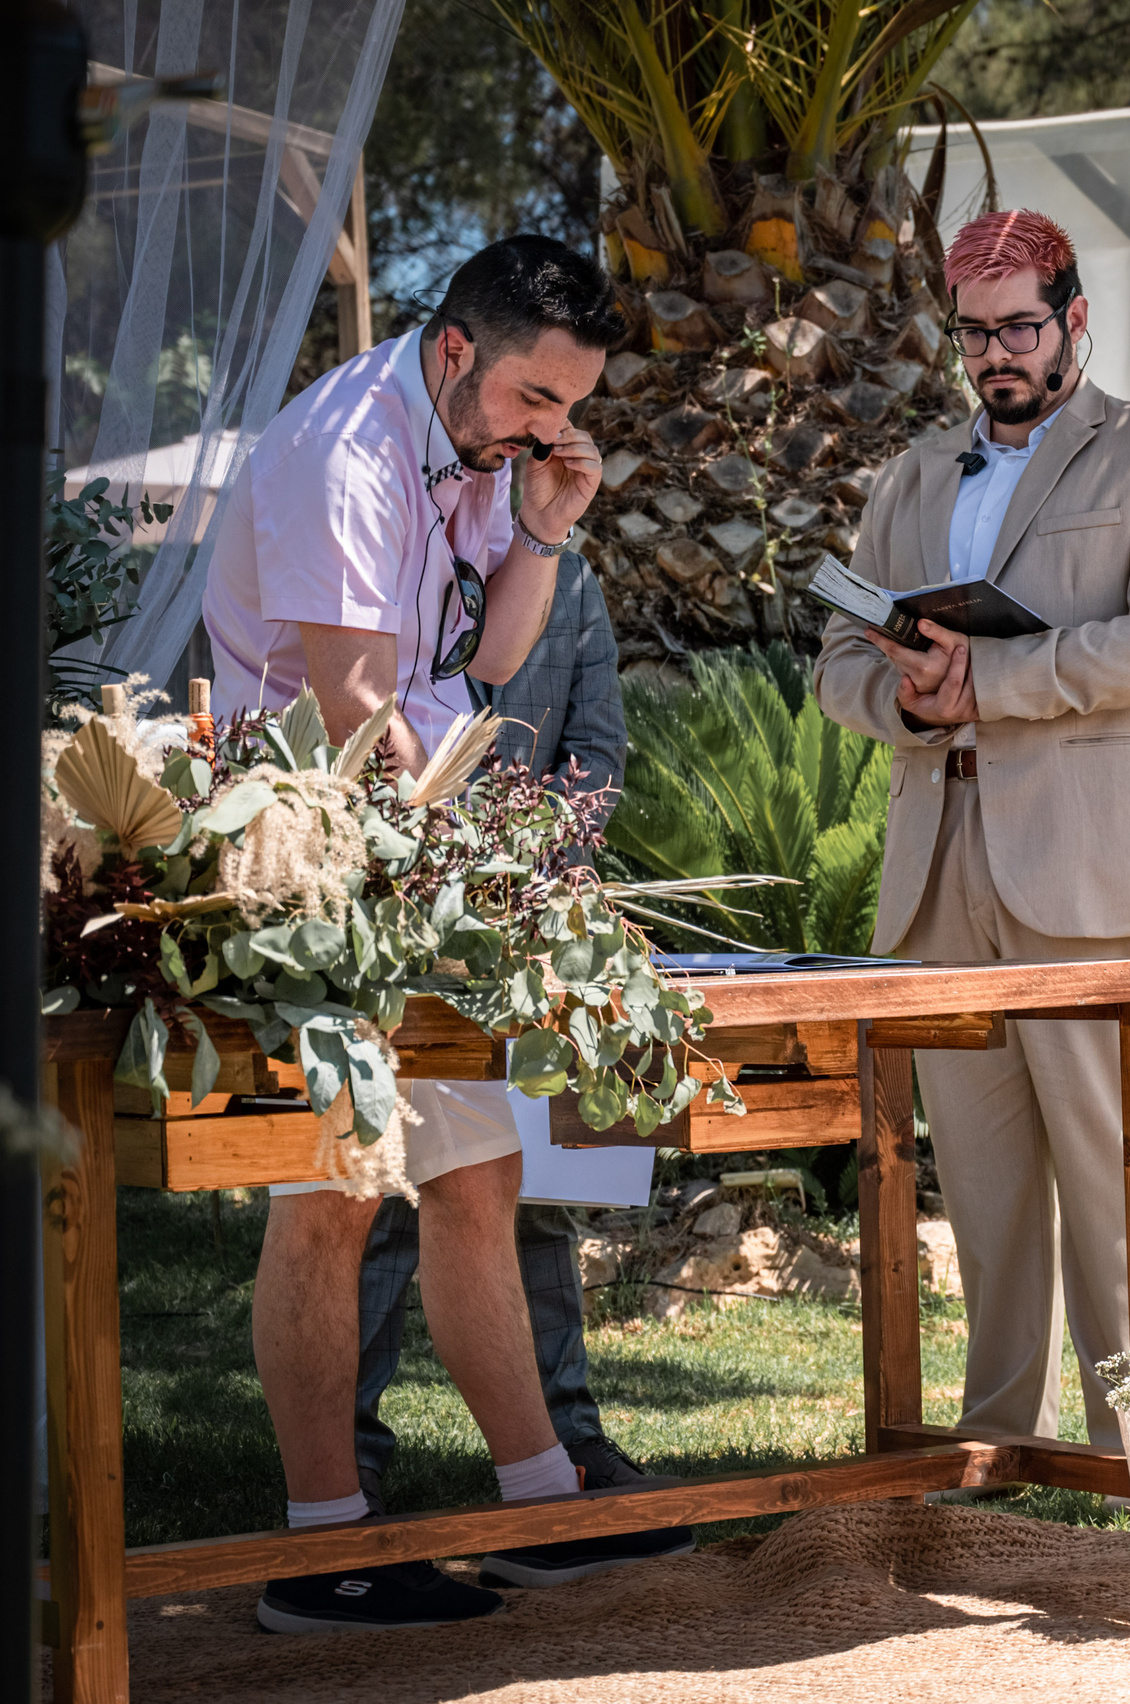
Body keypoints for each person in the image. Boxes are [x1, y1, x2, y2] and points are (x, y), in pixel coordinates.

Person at [203, 233, 621, 1633]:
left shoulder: (483, 454)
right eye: (536, 403)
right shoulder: (344, 455)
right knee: (330, 1201)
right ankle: (322, 1549)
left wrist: (548, 526)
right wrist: (493, 882)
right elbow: (358, 721)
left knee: (480, 1181)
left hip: (415, 867)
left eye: (569, 406)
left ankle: (544, 1509)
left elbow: (486, 662)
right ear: (458, 353)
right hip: (314, 870)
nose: (552, 430)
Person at [812, 209, 1130, 1455]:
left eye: (1020, 328)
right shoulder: (912, 474)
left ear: (1074, 322)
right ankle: (1003, 1440)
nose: (996, 353)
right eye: (974, 332)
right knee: (983, 1195)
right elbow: (843, 651)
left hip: (1094, 868)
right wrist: (902, 694)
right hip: (939, 870)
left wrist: (992, 681)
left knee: (1115, 1186)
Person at [351, 549, 694, 1588]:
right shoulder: (388, 557)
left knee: (535, 1191)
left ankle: (568, 1441)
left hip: (527, 928)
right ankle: (350, 1467)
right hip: (395, 921)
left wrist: (549, 877)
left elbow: (594, 751)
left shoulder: (573, 578)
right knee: (369, 1201)